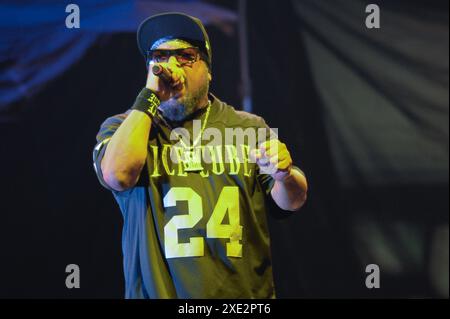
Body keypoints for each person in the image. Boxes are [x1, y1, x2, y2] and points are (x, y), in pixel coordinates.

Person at [93, 12, 308, 299]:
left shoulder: (248, 127)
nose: (170, 66)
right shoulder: (125, 127)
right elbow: (117, 176)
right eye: (159, 56)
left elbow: (292, 202)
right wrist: (148, 97)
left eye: (185, 56)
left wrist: (285, 174)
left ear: (208, 70)